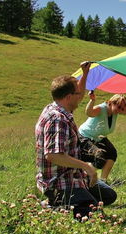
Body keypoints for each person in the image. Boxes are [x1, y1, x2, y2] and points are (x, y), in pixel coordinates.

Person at [35, 62, 117, 218]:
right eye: (78, 93)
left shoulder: (59, 108)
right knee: (94, 217)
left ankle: (63, 205)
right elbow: (53, 155)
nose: (81, 96)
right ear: (68, 97)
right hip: (59, 182)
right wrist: (87, 167)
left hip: (74, 175)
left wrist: (85, 74)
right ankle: (53, 206)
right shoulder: (57, 120)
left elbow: (77, 93)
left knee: (108, 195)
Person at [78, 89, 126, 181]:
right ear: (110, 103)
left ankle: (103, 181)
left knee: (112, 153)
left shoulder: (115, 111)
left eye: (122, 108)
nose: (120, 110)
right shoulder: (100, 109)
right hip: (84, 137)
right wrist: (92, 101)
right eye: (118, 107)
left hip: (98, 138)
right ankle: (85, 177)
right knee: (99, 157)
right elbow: (89, 112)